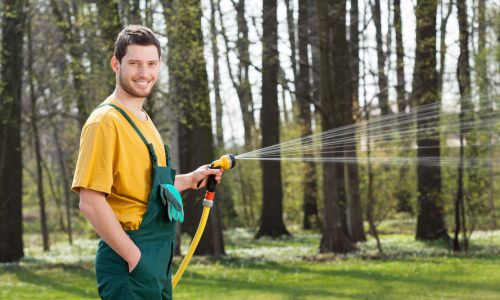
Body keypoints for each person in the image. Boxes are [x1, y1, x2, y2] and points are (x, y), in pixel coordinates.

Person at [71, 25, 222, 300]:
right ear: (116, 64)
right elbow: (91, 201)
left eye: (151, 64)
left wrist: (189, 179)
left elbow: (142, 187)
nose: (144, 73)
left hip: (158, 256)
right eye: (135, 63)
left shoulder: (144, 119)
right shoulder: (105, 122)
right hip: (130, 257)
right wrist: (134, 258)